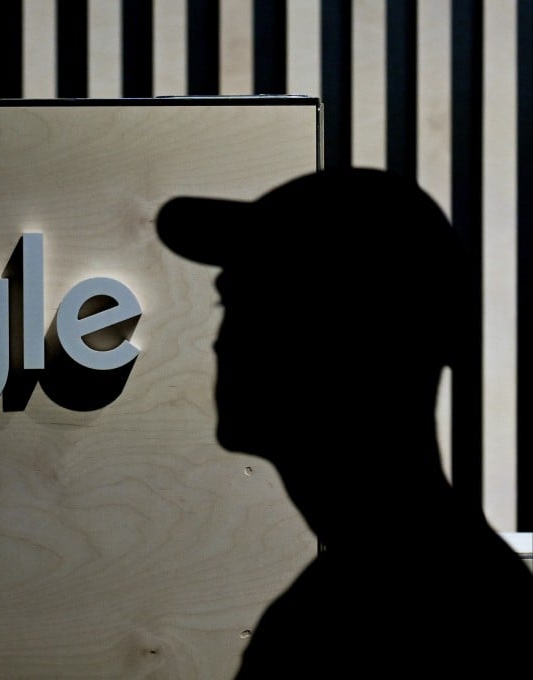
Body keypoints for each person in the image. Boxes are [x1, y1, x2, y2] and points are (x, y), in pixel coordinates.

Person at [155, 167, 533, 678]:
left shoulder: (376, 619)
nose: (222, 340)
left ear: (355, 336)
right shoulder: (397, 588)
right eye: (230, 302)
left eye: (260, 302)